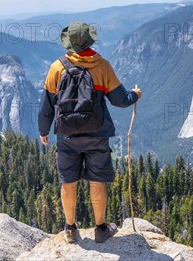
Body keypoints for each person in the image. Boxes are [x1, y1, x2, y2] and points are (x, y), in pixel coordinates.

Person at [38, 21, 142, 244]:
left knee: (68, 181)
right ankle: (101, 229)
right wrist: (135, 95)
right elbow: (120, 100)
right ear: (90, 41)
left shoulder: (56, 68)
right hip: (97, 134)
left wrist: (43, 131)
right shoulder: (101, 66)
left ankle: (70, 229)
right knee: (97, 180)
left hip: (66, 136)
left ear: (70, 44)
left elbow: (47, 105)